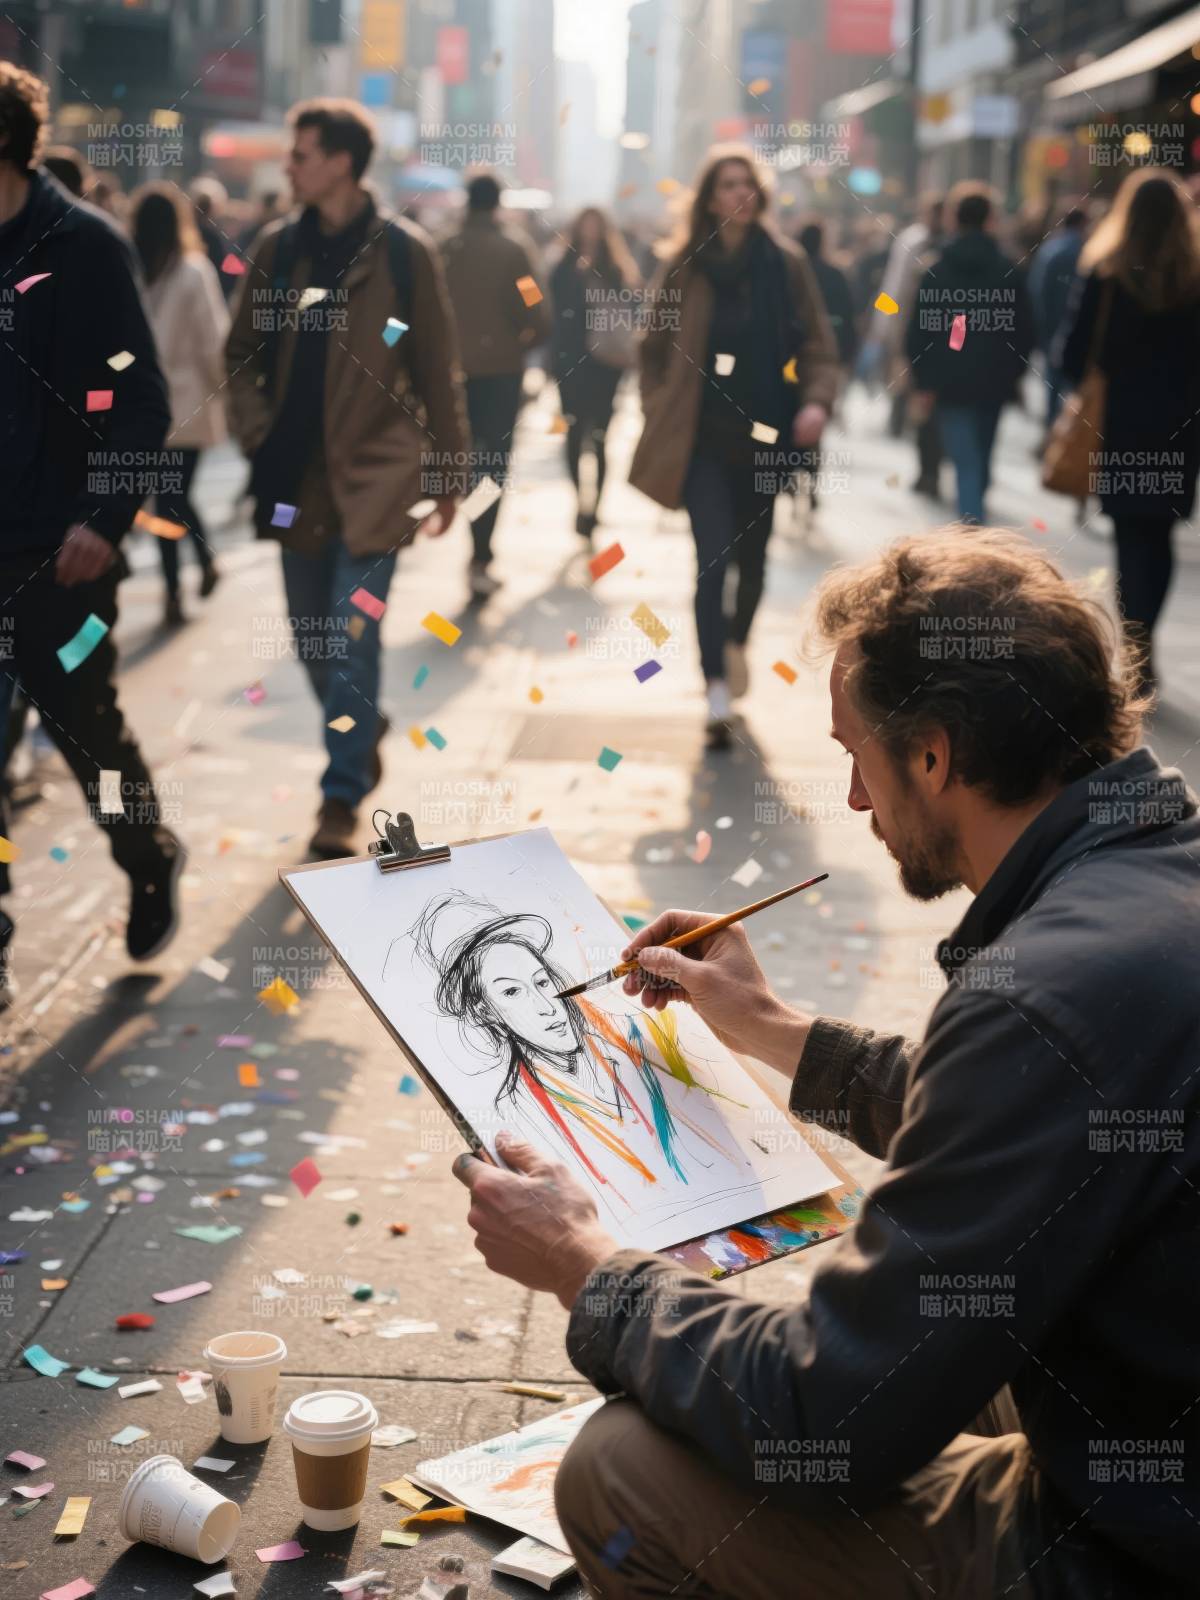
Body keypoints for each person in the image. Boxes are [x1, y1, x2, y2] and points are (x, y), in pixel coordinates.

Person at [453, 528, 1198, 1599]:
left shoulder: (1046, 991)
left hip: (1130, 1554)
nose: (854, 801)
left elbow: (826, 1412)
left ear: (934, 755)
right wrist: (770, 1026)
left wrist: (584, 1262)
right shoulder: (1152, 874)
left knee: (619, 1473)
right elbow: (1045, 1122)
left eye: (856, 754)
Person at [226, 98, 468, 860]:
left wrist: (450, 473)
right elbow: (240, 358)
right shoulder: (276, 247)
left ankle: (338, 799)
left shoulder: (404, 253)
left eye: (300, 155)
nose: (289, 167)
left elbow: (437, 367)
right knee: (311, 639)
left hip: (378, 479)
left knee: (353, 638)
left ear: (339, 162)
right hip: (294, 481)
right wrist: (257, 431)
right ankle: (360, 728)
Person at [0, 63, 184, 1001]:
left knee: (88, 740)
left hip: (61, 555)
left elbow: (142, 403)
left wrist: (104, 521)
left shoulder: (83, 247)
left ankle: (147, 854)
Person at [628, 145, 837, 748]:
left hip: (767, 438)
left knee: (754, 564)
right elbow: (651, 350)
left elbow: (818, 344)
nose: (738, 194)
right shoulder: (683, 267)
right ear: (708, 196)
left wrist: (817, 401)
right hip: (701, 442)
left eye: (746, 183)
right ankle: (715, 686)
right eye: (726, 184)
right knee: (711, 561)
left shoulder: (786, 264)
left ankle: (738, 640)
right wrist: (658, 407)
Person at [1056, 168, 1200, 698]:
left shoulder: (1108, 272)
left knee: (1127, 537)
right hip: (1179, 428)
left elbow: (1070, 354)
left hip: (1117, 426)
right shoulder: (1193, 278)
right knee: (1158, 535)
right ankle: (1145, 640)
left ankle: (1135, 645)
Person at [440, 171, 549, 598]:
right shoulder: (513, 249)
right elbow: (536, 312)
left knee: (459, 457)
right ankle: (481, 552)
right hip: (501, 372)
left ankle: (471, 534)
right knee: (492, 465)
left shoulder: (443, 247)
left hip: (448, 373)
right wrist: (522, 344)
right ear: (499, 201)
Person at [130, 183, 228, 627]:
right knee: (174, 497)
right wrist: (224, 395)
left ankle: (178, 587)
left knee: (163, 500)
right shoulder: (194, 271)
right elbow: (213, 343)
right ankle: (202, 565)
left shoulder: (133, 270)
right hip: (187, 406)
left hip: (145, 407)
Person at [907, 183, 1034, 525]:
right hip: (994, 377)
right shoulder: (1009, 270)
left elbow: (921, 329)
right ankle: (974, 515)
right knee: (982, 452)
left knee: (966, 458)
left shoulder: (937, 269)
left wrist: (923, 380)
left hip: (951, 379)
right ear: (991, 219)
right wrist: (1015, 372)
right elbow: (1024, 330)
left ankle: (971, 526)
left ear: (953, 219)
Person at [549, 206, 641, 542]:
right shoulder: (562, 266)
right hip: (569, 362)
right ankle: (580, 501)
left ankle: (597, 507)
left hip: (605, 364)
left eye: (595, 226)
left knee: (601, 436)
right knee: (574, 433)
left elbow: (629, 309)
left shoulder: (615, 268)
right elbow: (552, 310)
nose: (589, 231)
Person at [1028, 203, 1088, 431]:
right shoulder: (1087, 250)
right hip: (1077, 330)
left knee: (1052, 385)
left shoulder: (1049, 251)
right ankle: (1066, 430)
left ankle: (1052, 430)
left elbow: (1037, 291)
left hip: (1051, 327)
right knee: (1072, 388)